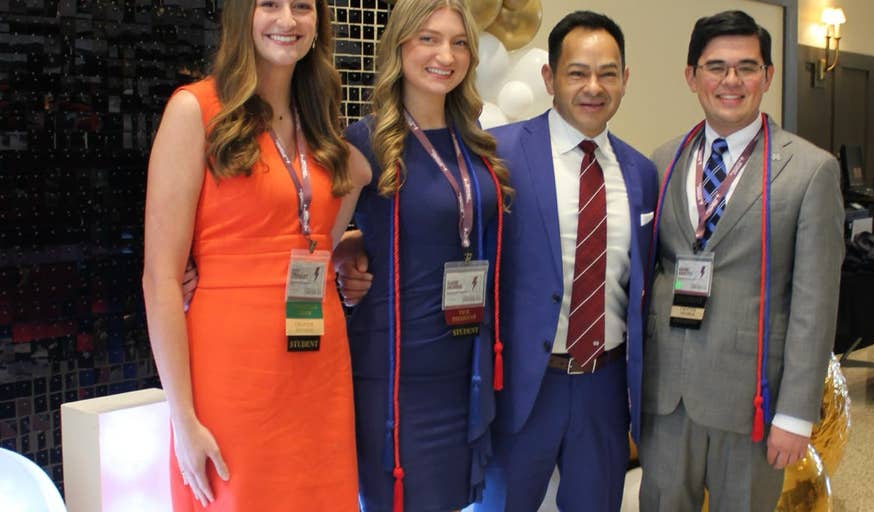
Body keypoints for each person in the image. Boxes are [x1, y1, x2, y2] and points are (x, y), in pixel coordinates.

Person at [141, 0, 369, 510]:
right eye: (270, 4)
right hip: (233, 373)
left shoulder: (319, 120)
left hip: (319, 363)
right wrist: (183, 420)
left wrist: (344, 247)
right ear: (242, 16)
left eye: (303, 7)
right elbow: (159, 279)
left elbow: (324, 221)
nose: (288, 20)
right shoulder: (194, 109)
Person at [640, 10, 844, 511]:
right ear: (692, 77)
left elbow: (815, 303)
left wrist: (795, 415)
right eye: (716, 67)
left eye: (747, 67)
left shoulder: (810, 170)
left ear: (768, 76)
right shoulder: (661, 162)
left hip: (752, 398)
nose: (731, 81)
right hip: (666, 397)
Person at [476, 11, 657, 512]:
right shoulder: (500, 155)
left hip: (605, 385)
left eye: (608, 73)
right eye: (577, 72)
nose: (593, 87)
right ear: (549, 77)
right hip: (522, 387)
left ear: (625, 80)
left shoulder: (641, 172)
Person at [338, 0, 512, 510]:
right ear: (400, 46)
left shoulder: (477, 141)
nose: (446, 55)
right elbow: (315, 244)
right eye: (429, 39)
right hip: (396, 375)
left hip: (466, 367)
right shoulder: (365, 141)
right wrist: (348, 251)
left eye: (460, 42)